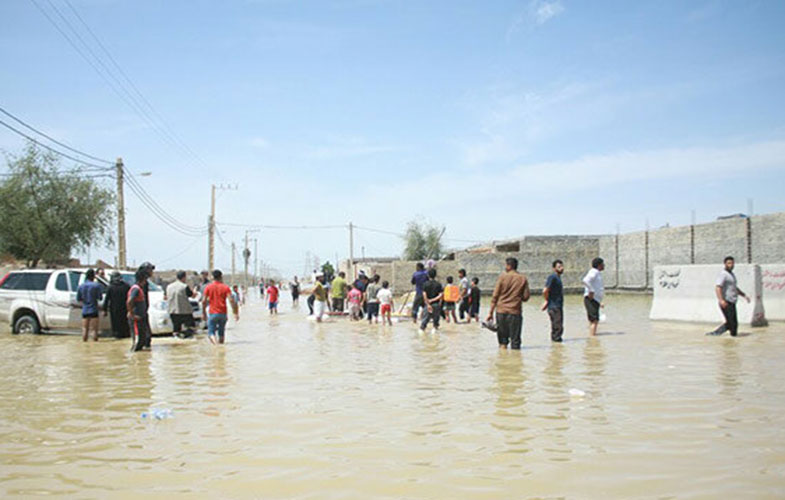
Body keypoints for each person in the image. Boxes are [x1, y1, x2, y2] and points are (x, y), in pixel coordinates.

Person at [487, 257, 531, 350]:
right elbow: (526, 297)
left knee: (503, 342)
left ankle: (503, 360)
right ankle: (515, 362)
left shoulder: (502, 277)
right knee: (515, 341)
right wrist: (516, 296)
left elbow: (495, 296)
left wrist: (490, 313)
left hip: (501, 312)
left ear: (509, 266)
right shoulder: (522, 279)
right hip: (515, 312)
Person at [707, 256, 751, 337]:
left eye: (732, 263)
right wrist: (721, 300)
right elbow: (718, 287)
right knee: (731, 323)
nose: (731, 265)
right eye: (729, 263)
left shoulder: (732, 275)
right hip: (726, 302)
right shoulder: (723, 274)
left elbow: (734, 288)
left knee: (733, 324)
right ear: (725, 264)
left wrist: (744, 295)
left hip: (732, 302)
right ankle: (715, 334)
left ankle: (726, 339)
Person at [201, 269, 239, 345]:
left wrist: (204, 313)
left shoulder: (208, 287)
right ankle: (221, 348)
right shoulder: (225, 287)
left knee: (211, 333)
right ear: (221, 277)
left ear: (212, 277)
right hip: (223, 313)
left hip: (213, 313)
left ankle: (216, 348)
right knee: (221, 333)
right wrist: (235, 313)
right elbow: (231, 300)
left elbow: (203, 301)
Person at [166, 270, 196, 339]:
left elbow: (165, 297)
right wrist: (194, 292)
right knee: (190, 327)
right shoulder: (184, 286)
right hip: (184, 311)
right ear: (184, 277)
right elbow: (192, 295)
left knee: (176, 329)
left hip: (172, 311)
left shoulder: (169, 287)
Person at [127, 269, 151, 352]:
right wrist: (132, 314)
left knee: (142, 341)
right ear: (143, 279)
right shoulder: (136, 289)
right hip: (136, 318)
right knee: (137, 342)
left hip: (140, 317)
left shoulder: (139, 288)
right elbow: (130, 301)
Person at [76, 268, 103, 342]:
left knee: (85, 329)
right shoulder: (97, 286)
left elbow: (78, 299)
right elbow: (100, 298)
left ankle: (85, 344)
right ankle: (95, 345)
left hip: (85, 310)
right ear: (93, 276)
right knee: (94, 330)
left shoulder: (81, 286)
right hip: (94, 309)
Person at [542, 260, 565, 342]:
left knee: (557, 327)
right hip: (554, 306)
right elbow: (545, 290)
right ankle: (557, 348)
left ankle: (555, 348)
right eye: (559, 267)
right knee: (557, 328)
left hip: (557, 305)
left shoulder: (558, 278)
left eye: (562, 266)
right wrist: (546, 300)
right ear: (554, 268)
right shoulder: (552, 277)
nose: (561, 268)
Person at [103, 271, 130, 338]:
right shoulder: (126, 286)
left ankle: (117, 335)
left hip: (114, 309)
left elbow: (106, 300)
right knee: (124, 324)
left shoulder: (110, 287)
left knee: (116, 325)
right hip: (125, 309)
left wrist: (105, 310)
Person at [582, 257, 605, 337]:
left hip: (595, 300)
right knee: (594, 320)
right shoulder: (594, 272)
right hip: (591, 299)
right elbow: (585, 280)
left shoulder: (597, 273)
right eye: (603, 264)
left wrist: (600, 301)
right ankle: (592, 339)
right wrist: (591, 290)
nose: (604, 266)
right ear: (599, 265)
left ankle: (592, 336)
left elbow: (598, 288)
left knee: (593, 320)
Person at [419, 268, 444, 334]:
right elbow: (441, 295)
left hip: (427, 305)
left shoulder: (425, 284)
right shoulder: (438, 284)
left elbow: (424, 295)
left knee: (424, 323)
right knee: (435, 323)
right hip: (436, 304)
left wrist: (428, 304)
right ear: (435, 275)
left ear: (428, 275)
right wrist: (433, 300)